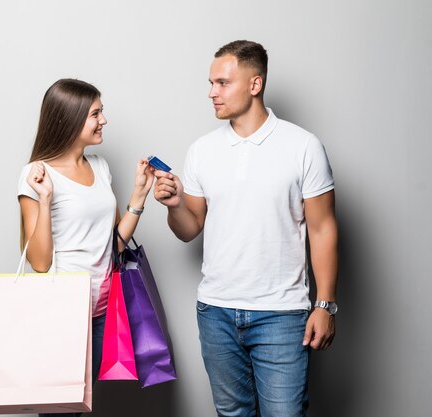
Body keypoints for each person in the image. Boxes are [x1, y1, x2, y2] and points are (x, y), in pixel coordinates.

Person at [153, 40, 338, 417]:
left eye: (222, 83)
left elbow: (322, 229)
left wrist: (325, 304)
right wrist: (174, 206)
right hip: (216, 312)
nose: (211, 93)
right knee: (232, 414)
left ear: (255, 85)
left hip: (282, 315)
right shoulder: (202, 150)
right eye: (210, 83)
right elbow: (190, 229)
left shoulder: (303, 146)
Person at [18, 78, 154, 417]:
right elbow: (38, 261)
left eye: (101, 112)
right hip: (62, 313)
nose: (104, 120)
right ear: (70, 119)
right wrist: (46, 198)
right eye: (96, 114)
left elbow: (114, 246)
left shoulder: (100, 167)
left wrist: (138, 195)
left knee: (78, 410)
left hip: (102, 312)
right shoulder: (35, 175)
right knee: (61, 413)